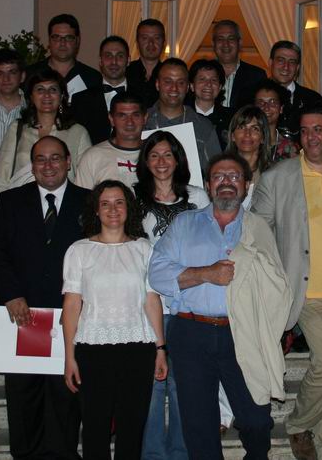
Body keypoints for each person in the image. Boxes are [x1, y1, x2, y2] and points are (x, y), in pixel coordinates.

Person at [148, 153, 291, 459]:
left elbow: (277, 284)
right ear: (208, 185)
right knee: (199, 424)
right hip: (191, 330)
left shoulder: (258, 228)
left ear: (247, 184)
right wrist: (206, 274)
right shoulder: (184, 224)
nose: (226, 182)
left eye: (234, 176)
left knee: (256, 417)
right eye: (218, 176)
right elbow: (157, 274)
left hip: (242, 333)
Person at [250, 104, 322, 460]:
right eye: (304, 130)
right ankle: (299, 423)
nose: (311, 136)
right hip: (307, 292)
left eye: (318, 129)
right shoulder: (278, 177)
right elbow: (257, 233)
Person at [0, 136, 90, 459]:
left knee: (65, 394)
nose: (48, 165)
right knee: (24, 395)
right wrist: (10, 294)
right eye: (41, 159)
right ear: (31, 166)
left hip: (69, 317)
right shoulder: (10, 201)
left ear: (69, 162)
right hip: (23, 316)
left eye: (55, 158)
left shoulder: (89, 202)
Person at [61, 180, 168, 460]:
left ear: (128, 208)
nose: (112, 209)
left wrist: (160, 348)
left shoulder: (144, 249)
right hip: (92, 349)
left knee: (132, 428)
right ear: (96, 210)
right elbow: (71, 305)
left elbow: (151, 300)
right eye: (105, 203)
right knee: (94, 427)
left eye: (119, 202)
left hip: (138, 349)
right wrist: (69, 356)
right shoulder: (79, 250)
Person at [134, 131, 210, 460]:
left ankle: (181, 452)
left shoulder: (198, 198)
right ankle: (152, 454)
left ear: (178, 159)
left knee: (184, 385)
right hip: (146, 304)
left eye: (168, 154)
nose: (161, 161)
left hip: (188, 305)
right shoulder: (133, 199)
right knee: (152, 385)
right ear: (145, 161)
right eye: (154, 155)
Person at [0, 67, 92, 198]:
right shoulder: (17, 128)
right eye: (40, 89)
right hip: (21, 204)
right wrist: (2, 206)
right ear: (31, 97)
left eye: (53, 89)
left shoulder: (78, 132)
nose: (47, 95)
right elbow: (1, 177)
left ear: (62, 96)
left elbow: (86, 179)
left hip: (64, 204)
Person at [143, 58, 220, 177]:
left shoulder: (203, 126)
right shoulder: (141, 121)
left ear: (188, 87)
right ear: (158, 84)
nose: (174, 88)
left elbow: (216, 171)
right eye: (168, 82)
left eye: (180, 83)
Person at [75, 91, 146, 189]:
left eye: (135, 115)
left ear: (145, 118)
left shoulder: (156, 153)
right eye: (122, 116)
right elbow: (82, 196)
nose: (129, 122)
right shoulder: (93, 157)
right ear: (111, 119)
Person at [24, 13, 102, 98]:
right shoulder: (31, 74)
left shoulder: (92, 77)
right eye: (56, 37)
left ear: (77, 41)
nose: (62, 43)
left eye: (68, 38)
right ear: (49, 41)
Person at [70, 35, 131, 144]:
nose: (114, 61)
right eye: (108, 56)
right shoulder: (80, 100)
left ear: (128, 60)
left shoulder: (143, 97)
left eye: (120, 56)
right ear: (100, 61)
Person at [269, 40, 321, 136]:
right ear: (271, 63)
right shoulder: (254, 95)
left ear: (297, 68)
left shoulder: (313, 99)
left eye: (292, 62)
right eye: (281, 60)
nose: (286, 67)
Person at [212, 19, 266, 109]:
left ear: (240, 43)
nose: (226, 44)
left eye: (231, 39)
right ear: (213, 44)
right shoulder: (202, 75)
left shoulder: (256, 76)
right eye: (220, 39)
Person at [225, 105, 273, 208]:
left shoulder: (273, 176)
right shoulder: (220, 173)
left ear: (263, 138)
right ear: (233, 136)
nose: (247, 134)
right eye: (242, 127)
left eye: (255, 129)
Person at [186, 58, 232, 149]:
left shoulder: (231, 118)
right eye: (202, 79)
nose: (208, 84)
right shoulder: (183, 116)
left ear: (220, 87)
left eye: (213, 80)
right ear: (192, 86)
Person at [253, 79, 300, 163]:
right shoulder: (245, 142)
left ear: (281, 108)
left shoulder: (290, 148)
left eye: (272, 102)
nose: (266, 107)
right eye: (260, 103)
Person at [126, 18, 165, 109]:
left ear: (163, 42)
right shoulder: (125, 72)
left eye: (156, 38)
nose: (151, 43)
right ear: (137, 42)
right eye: (145, 38)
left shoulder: (170, 75)